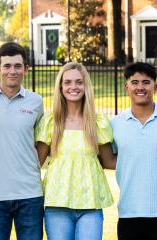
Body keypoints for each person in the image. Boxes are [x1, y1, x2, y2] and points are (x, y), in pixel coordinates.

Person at [35, 62, 116, 240]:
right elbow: (35, 164)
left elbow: (109, 161)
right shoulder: (51, 121)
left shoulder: (97, 122)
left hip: (90, 203)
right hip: (57, 203)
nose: (74, 87)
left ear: (86, 86)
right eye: (68, 82)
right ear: (61, 86)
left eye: (79, 82)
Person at [0, 42, 44, 240]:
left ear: (26, 69)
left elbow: (41, 142)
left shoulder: (36, 101)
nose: (12, 71)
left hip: (30, 194)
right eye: (7, 66)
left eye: (17, 66)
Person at [109, 62, 157, 240]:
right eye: (135, 82)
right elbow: (108, 159)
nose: (140, 87)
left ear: (155, 87)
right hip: (129, 213)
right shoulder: (115, 124)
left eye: (146, 82)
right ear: (127, 87)